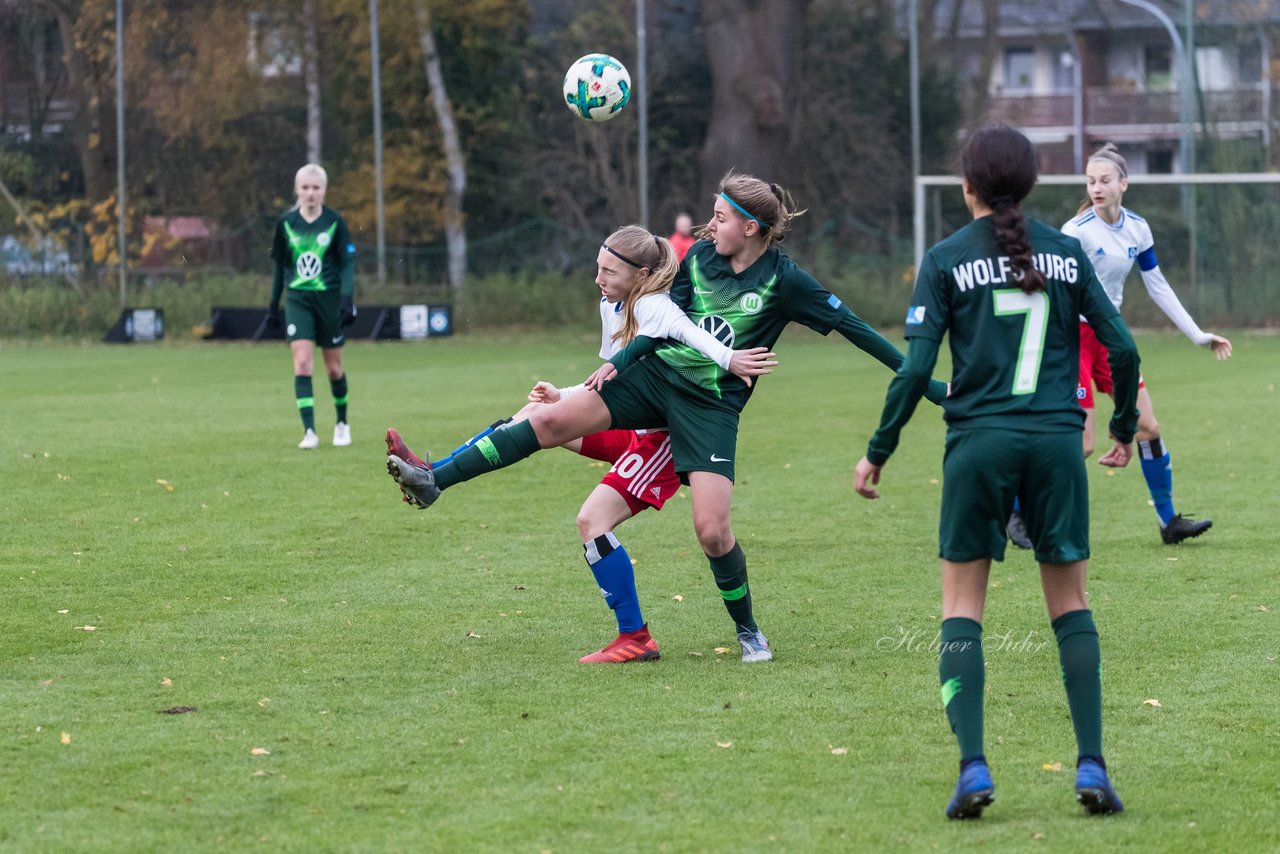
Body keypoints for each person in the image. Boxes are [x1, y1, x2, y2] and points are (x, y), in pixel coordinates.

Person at [386, 171, 947, 663]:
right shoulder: (699, 259)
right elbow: (657, 324)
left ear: (750, 228)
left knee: (712, 530)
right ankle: (436, 480)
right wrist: (614, 365)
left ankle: (748, 630)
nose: (710, 224)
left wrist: (928, 383)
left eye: (721, 217)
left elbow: (858, 331)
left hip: (709, 408)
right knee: (548, 417)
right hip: (653, 380)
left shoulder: (785, 281)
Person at [853, 126, 1140, 819]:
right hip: (1056, 444)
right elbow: (1124, 348)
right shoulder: (1069, 252)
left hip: (978, 445)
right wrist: (1124, 426)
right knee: (1071, 606)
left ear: (968, 185)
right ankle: (1093, 767)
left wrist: (879, 449)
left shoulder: (947, 258)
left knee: (962, 610)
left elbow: (917, 368)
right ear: (1034, 184)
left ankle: (974, 769)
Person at [387, 224, 775, 663]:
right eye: (598, 267)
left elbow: (693, 342)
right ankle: (432, 475)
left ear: (639, 273)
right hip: (625, 425)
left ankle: (643, 638)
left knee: (593, 521)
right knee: (535, 414)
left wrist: (731, 357)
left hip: (662, 440)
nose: (598, 278)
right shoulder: (611, 306)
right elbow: (608, 381)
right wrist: (565, 394)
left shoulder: (658, 308)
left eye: (608, 270)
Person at [1060, 142, 1231, 546]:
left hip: (1111, 337)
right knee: (1081, 442)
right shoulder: (1075, 232)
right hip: (1072, 338)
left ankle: (1169, 522)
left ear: (1124, 183)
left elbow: (1158, 287)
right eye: (1091, 181)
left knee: (1149, 426)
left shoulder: (1138, 228)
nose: (1097, 187)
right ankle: (1016, 508)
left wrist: (1198, 335)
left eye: (1105, 180)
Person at [268, 163, 358, 450]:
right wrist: (272, 305)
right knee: (303, 362)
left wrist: (346, 298)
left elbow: (347, 263)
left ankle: (342, 423)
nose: (310, 193)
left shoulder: (334, 221)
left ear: (324, 191)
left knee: (333, 368)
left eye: (315, 188)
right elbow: (280, 267)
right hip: (297, 300)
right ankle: (309, 431)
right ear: (297, 189)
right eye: (305, 187)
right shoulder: (285, 223)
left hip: (328, 300)